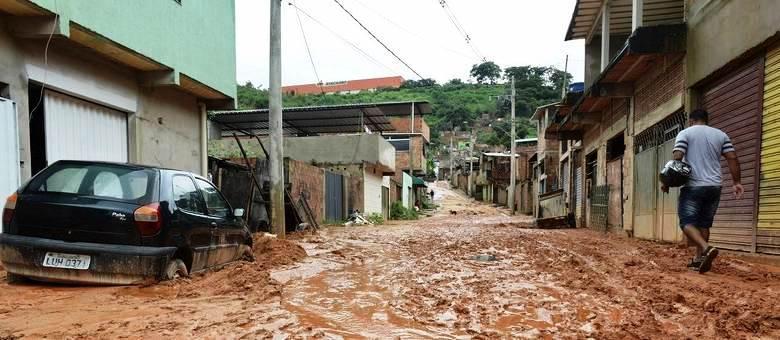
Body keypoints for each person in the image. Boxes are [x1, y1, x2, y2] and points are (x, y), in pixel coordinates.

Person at [662, 109, 743, 273]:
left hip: (693, 186)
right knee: (704, 224)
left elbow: (677, 157)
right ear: (706, 120)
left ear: (691, 120)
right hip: (714, 187)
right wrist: (737, 182)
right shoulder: (721, 135)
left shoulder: (685, 133)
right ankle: (699, 260)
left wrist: (667, 182)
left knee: (687, 223)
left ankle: (706, 248)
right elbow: (732, 157)